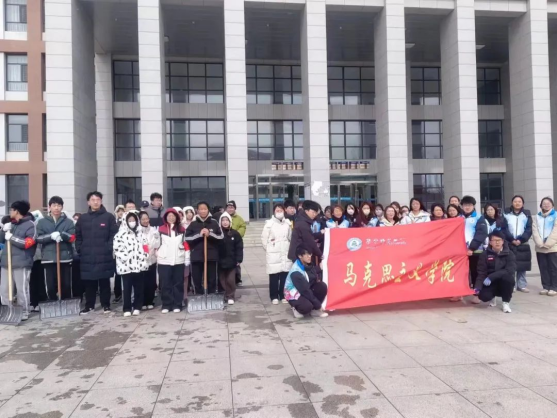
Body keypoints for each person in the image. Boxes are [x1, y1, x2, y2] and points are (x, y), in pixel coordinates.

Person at [76, 192, 119, 314]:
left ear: (101, 201)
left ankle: (106, 305)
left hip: (104, 255)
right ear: (88, 202)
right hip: (87, 255)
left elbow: (113, 234)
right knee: (89, 282)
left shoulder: (108, 217)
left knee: (104, 281)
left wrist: (109, 247)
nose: (95, 202)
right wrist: (80, 248)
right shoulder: (83, 218)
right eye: (93, 200)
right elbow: (78, 236)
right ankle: (89, 306)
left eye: (98, 199)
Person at [0, 201, 37, 321]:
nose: (10, 212)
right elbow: (2, 240)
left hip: (22, 262)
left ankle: (24, 310)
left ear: (17, 211)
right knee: (4, 289)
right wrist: (3, 230)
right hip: (6, 262)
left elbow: (28, 243)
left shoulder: (30, 225)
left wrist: (12, 237)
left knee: (22, 289)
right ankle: (8, 311)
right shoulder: (11, 224)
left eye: (11, 209)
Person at [36, 196, 76, 302]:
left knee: (66, 284)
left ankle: (66, 303)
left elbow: (72, 237)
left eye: (59, 205)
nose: (56, 208)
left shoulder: (68, 222)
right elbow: (38, 238)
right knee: (50, 285)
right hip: (48, 257)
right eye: (54, 205)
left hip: (65, 257)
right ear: (49, 207)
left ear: (62, 207)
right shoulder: (42, 222)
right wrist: (50, 236)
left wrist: (62, 235)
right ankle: (52, 302)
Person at [113, 212, 149, 317]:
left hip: (139, 265)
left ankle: (137, 306)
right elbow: (117, 249)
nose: (132, 222)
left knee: (139, 287)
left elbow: (145, 245)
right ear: (125, 221)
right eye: (130, 220)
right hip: (126, 266)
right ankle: (127, 308)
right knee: (127, 288)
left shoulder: (140, 233)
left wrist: (145, 255)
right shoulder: (120, 234)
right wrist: (126, 257)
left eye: (134, 220)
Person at [185, 202, 223, 295]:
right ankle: (198, 295)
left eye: (205, 209)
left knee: (212, 279)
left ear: (208, 210)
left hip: (211, 256)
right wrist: (199, 235)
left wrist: (210, 234)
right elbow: (187, 238)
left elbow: (221, 237)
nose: (203, 211)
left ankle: (211, 295)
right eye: (200, 209)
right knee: (196, 279)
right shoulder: (193, 224)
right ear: (197, 211)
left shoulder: (214, 222)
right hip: (196, 256)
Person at [473, 230, 516, 313]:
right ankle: (492, 297)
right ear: (490, 242)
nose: (497, 242)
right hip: (490, 283)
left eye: (499, 240)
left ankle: (506, 302)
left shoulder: (509, 254)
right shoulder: (484, 254)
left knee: (508, 279)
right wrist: (478, 287)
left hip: (503, 281)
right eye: (494, 240)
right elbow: (481, 272)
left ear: (503, 241)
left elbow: (510, 270)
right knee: (483, 296)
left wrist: (491, 277)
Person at [157, 208, 190, 313]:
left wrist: (187, 257)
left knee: (178, 283)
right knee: (165, 284)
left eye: (173, 216)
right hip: (164, 261)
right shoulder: (160, 229)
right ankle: (166, 304)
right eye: (169, 216)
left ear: (176, 217)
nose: (171, 218)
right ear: (165, 217)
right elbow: (156, 244)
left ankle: (177, 304)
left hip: (178, 260)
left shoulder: (182, 230)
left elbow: (185, 244)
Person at [284, 246, 328, 318]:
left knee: (322, 286)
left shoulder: (307, 264)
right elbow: (305, 290)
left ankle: (314, 310)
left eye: (310, 254)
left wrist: (319, 268)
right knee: (307, 307)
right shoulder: (296, 272)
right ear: (300, 256)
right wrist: (319, 305)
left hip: (305, 288)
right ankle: (296, 308)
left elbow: (310, 273)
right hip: (294, 293)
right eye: (306, 254)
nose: (309, 256)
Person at [261, 204, 293, 305]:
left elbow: (290, 237)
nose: (279, 212)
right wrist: (269, 249)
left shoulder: (287, 223)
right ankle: (274, 296)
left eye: (281, 210)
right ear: (274, 212)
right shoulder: (269, 224)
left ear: (284, 211)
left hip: (285, 252)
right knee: (274, 276)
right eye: (277, 210)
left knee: (284, 275)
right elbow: (264, 238)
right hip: (273, 253)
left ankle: (283, 295)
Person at [504, 196, 532, 293]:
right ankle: (512, 285)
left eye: (519, 201)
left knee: (522, 265)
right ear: (512, 203)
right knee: (510, 265)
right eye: (515, 201)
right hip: (509, 242)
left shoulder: (527, 214)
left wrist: (521, 239)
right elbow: (504, 228)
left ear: (523, 203)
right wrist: (511, 239)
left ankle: (522, 285)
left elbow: (529, 229)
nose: (517, 203)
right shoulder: (506, 214)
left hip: (523, 243)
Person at [461, 195, 488, 296]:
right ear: (462, 206)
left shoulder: (479, 218)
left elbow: (481, 234)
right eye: (465, 205)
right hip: (461, 250)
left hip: (475, 251)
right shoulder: (459, 218)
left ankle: (476, 294)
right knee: (462, 272)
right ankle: (461, 292)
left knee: (475, 272)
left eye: (469, 205)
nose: (467, 207)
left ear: (473, 206)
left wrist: (472, 248)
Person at [532, 197, 557, 296]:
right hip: (540, 247)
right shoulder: (537, 217)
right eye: (544, 203)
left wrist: (548, 243)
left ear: (552, 205)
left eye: (548, 203)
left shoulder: (555, 215)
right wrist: (539, 243)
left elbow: (555, 231)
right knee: (543, 268)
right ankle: (546, 286)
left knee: (553, 268)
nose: (546, 205)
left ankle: (554, 287)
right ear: (541, 205)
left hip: (552, 247)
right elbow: (534, 231)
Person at [218, 212, 243, 305]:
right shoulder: (218, 233)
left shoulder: (235, 233)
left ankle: (231, 296)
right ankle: (224, 295)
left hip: (231, 261)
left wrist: (239, 259)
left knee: (230, 280)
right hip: (220, 261)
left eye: (227, 220)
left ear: (230, 222)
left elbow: (239, 247)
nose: (225, 222)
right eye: (223, 220)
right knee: (222, 280)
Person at [139, 211, 160, 309]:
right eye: (143, 219)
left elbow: (157, 243)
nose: (145, 221)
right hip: (141, 260)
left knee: (151, 281)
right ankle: (143, 302)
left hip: (152, 259)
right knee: (142, 282)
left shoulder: (153, 230)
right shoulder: (137, 231)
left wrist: (156, 239)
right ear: (139, 220)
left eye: (146, 218)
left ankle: (150, 301)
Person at [226, 200, 246, 286]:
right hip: (226, 243)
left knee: (236, 262)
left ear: (235, 208)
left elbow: (243, 227)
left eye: (232, 207)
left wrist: (236, 234)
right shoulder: (223, 217)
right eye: (228, 207)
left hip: (236, 243)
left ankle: (237, 279)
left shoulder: (239, 218)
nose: (230, 209)